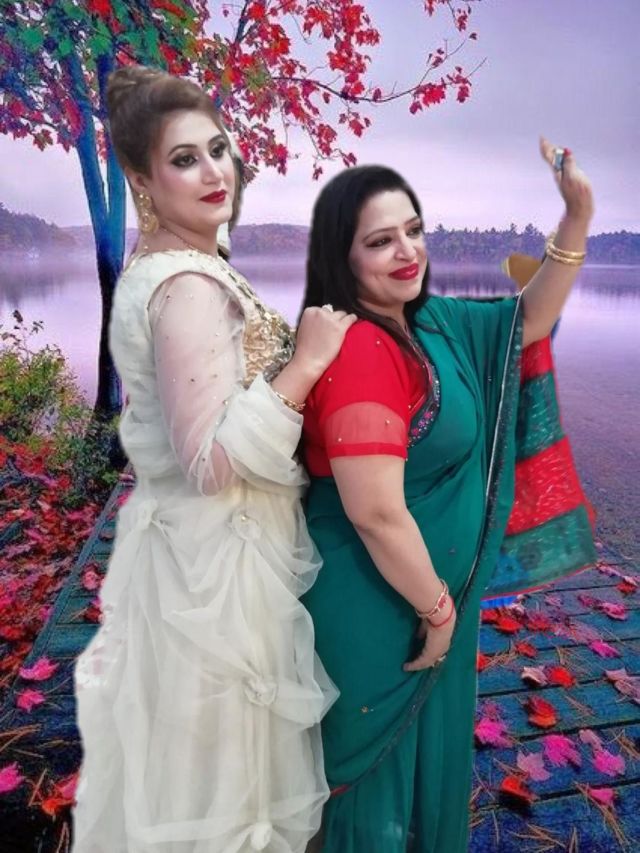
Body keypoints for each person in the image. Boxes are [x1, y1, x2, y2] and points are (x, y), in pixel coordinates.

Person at [71, 65, 357, 853]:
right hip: (221, 574)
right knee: (231, 788)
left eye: (218, 150)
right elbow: (211, 461)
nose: (213, 171)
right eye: (184, 159)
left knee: (201, 774)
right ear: (143, 181)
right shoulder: (189, 288)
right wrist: (308, 362)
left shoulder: (176, 264)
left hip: (202, 552)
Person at [298, 142, 596, 852]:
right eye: (380, 241)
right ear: (343, 256)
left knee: (424, 783)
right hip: (382, 610)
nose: (407, 251)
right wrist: (437, 611)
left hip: (432, 603)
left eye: (413, 230)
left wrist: (577, 215)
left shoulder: (430, 323)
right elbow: (374, 510)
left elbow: (526, 320)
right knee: (372, 801)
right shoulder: (361, 350)